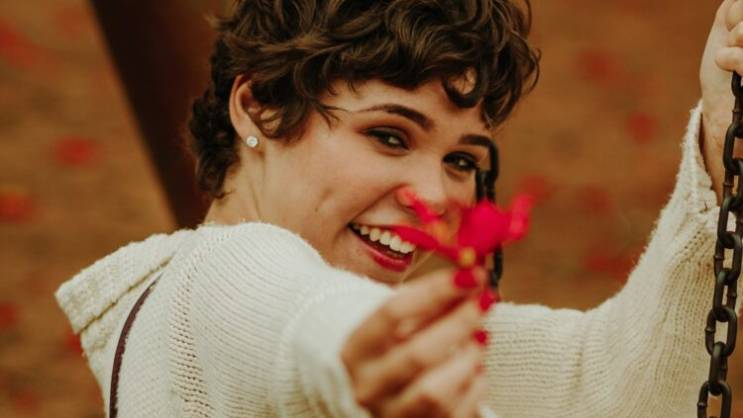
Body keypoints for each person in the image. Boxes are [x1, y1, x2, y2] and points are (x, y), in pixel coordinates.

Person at [54, 0, 743, 416]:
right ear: (257, 107)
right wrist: (355, 352)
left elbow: (606, 390)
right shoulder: (221, 276)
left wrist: (719, 139)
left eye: (460, 160)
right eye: (389, 136)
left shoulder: (396, 335)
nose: (435, 196)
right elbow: (291, 314)